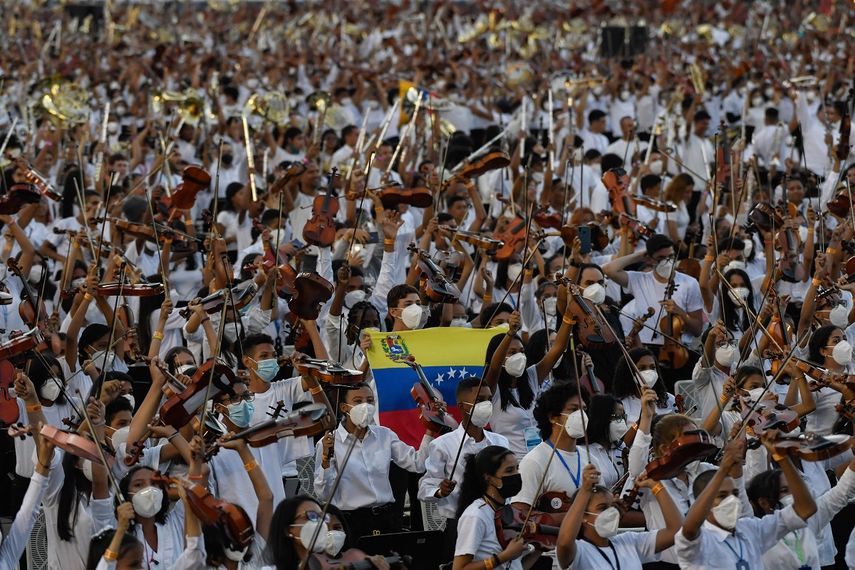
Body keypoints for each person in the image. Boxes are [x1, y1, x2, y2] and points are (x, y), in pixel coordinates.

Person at [675, 433, 818, 570]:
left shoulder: (751, 529)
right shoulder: (699, 542)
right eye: (722, 496)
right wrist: (724, 469)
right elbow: (689, 529)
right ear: (703, 502)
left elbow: (805, 508)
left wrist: (781, 456)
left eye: (735, 493)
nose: (731, 500)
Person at [314, 382, 432, 540]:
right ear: (344, 407)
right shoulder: (329, 442)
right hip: (351, 521)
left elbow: (417, 464)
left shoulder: (385, 435)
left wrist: (430, 430)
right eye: (357, 401)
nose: (365, 406)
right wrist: (325, 462)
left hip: (386, 519)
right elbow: (324, 494)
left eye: (370, 401)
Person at [418, 376, 510, 561]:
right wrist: (439, 490)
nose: (486, 405)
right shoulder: (442, 445)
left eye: (488, 399)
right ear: (461, 406)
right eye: (479, 400)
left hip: (497, 522)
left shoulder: (501, 442)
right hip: (460, 523)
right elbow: (425, 485)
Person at [555, 463, 682, 569]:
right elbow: (564, 542)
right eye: (603, 508)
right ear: (583, 516)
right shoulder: (580, 552)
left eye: (613, 507)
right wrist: (585, 490)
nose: (610, 512)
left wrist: (656, 486)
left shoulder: (630, 542)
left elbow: (676, 530)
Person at [453, 445, 540, 570]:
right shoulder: (475, 515)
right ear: (488, 478)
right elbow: (459, 568)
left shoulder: (506, 510)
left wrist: (539, 550)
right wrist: (504, 556)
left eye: (517, 468)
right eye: (509, 470)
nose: (516, 474)